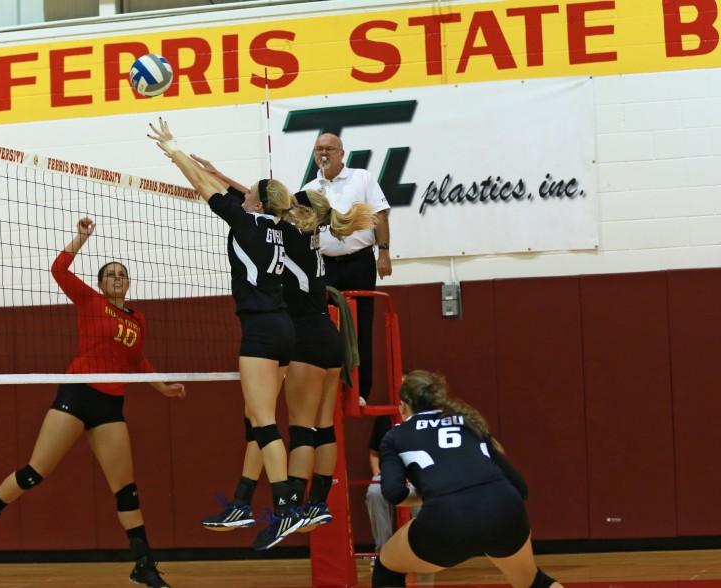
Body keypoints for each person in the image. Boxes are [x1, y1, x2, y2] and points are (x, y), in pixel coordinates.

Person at [0, 217, 185, 588]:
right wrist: (81, 239)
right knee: (35, 472)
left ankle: (143, 564)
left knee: (125, 488)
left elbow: (137, 361)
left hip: (111, 404)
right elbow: (58, 269)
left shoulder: (137, 319)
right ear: (99, 283)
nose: (116, 277)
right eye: (110, 273)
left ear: (128, 283)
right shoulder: (89, 300)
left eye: (122, 274)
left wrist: (162, 387)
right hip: (78, 392)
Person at [149, 119, 330, 550]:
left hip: (262, 331)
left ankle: (287, 507)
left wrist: (173, 150)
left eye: (246, 194)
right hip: (285, 329)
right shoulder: (283, 227)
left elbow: (205, 188)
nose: (241, 197)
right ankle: (245, 504)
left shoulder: (246, 225)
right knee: (258, 419)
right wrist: (219, 174)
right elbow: (236, 194)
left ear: (255, 203)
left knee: (264, 421)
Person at [188, 156, 374, 534]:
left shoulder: (281, 231)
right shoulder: (309, 233)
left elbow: (264, 203)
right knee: (323, 426)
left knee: (291, 426)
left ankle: (293, 506)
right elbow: (265, 200)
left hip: (301, 333)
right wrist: (220, 173)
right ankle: (316, 502)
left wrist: (213, 177)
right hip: (328, 334)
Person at [372, 371, 563, 588]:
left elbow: (393, 493)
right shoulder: (467, 421)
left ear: (403, 406)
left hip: (447, 518)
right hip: (503, 506)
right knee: (534, 582)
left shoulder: (395, 435)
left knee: (387, 566)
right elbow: (520, 487)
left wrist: (431, 496)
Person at [302, 133, 391, 405]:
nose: (323, 153)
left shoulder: (361, 178)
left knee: (362, 325)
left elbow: (380, 215)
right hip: (324, 265)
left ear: (342, 153)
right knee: (324, 327)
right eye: (319, 149)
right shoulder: (309, 188)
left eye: (329, 148)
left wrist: (384, 252)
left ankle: (361, 390)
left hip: (359, 261)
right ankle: (329, 388)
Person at [366, 415, 395, 552]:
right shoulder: (384, 419)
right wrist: (377, 473)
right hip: (388, 473)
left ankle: (421, 551)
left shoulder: (421, 419)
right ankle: (384, 551)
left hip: (415, 474)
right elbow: (374, 453)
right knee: (374, 492)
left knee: (420, 498)